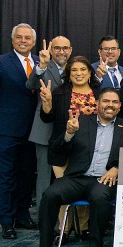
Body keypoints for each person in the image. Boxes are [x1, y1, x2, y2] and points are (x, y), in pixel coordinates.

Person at [35, 88, 123, 247]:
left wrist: (117, 167)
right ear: (97, 104)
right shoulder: (80, 122)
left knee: (99, 198)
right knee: (50, 195)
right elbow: (57, 152)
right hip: (77, 178)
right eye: (106, 101)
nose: (110, 105)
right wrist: (68, 134)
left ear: (119, 106)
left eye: (114, 102)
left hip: (103, 180)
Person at [0, 23, 40, 239]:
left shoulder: (41, 62)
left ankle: (23, 215)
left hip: (34, 131)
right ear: (12, 40)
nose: (23, 41)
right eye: (19, 37)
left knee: (26, 175)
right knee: (6, 177)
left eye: (27, 38)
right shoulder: (0, 62)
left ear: (33, 41)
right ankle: (6, 221)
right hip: (7, 130)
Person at [39, 56, 101, 239]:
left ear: (90, 72)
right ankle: (64, 230)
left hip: (89, 151)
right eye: (74, 70)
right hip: (63, 149)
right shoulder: (59, 93)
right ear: (68, 73)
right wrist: (47, 102)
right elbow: (47, 118)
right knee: (63, 191)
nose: (79, 73)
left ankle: (83, 228)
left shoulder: (100, 92)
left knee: (85, 186)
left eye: (83, 69)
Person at [26, 36, 72, 206]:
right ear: (51, 51)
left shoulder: (76, 68)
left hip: (70, 131)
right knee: (44, 177)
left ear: (71, 50)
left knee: (69, 177)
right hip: (45, 130)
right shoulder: (43, 66)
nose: (61, 51)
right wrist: (42, 66)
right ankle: (44, 220)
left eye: (65, 48)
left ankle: (66, 222)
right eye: (57, 48)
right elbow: (30, 85)